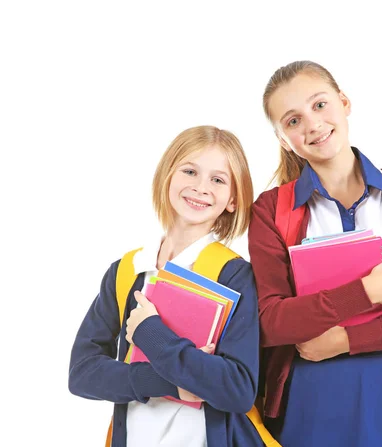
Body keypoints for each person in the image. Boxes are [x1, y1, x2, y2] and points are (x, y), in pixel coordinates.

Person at [248, 60, 382, 446]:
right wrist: (364, 292)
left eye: (319, 105)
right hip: (309, 402)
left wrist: (346, 341)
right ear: (283, 139)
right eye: (293, 121)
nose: (312, 124)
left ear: (344, 102)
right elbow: (269, 322)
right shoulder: (271, 210)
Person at [69, 125, 264, 447]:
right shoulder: (127, 271)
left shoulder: (234, 276)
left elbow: (237, 390)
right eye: (190, 171)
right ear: (168, 177)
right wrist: (170, 383)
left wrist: (151, 334)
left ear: (233, 199)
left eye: (218, 179)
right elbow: (82, 373)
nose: (201, 188)